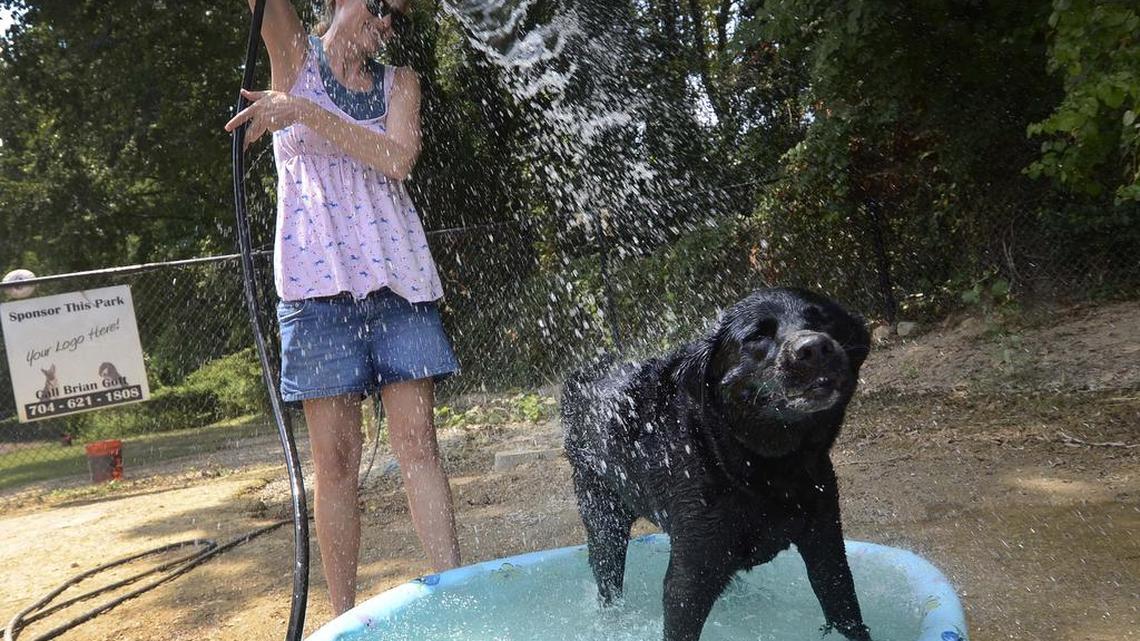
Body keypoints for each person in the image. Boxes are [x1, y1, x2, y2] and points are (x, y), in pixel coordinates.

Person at [224, 0, 461, 616]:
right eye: (379, 6)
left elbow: (396, 157)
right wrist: (295, 96)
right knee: (335, 463)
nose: (386, 23)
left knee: (419, 447)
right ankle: (345, 620)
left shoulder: (399, 83)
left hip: (400, 286)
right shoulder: (292, 56)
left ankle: (465, 596)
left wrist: (301, 111)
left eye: (396, 18)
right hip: (314, 291)